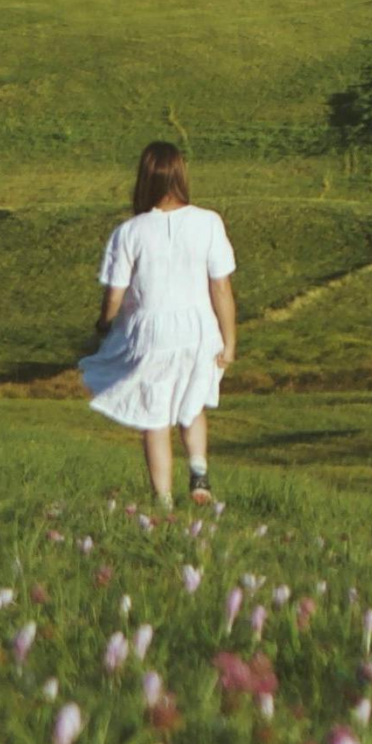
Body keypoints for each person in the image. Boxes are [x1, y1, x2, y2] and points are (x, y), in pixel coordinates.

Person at [80, 141, 238, 505]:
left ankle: (163, 501)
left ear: (144, 179)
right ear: (181, 175)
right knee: (192, 402)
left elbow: (115, 294)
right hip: (200, 329)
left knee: (155, 416)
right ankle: (198, 472)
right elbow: (221, 287)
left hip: (150, 334)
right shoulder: (208, 222)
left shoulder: (130, 232)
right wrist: (229, 341)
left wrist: (104, 325)